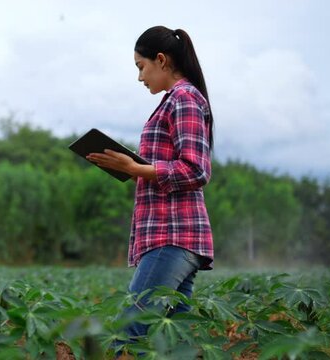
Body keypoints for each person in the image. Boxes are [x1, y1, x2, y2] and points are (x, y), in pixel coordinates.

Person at [86, 25, 214, 357]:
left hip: (173, 236)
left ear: (161, 60)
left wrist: (134, 168)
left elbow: (196, 169)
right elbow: (171, 166)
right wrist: (129, 169)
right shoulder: (173, 101)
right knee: (171, 342)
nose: (140, 77)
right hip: (169, 235)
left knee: (129, 334)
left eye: (141, 67)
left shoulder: (184, 99)